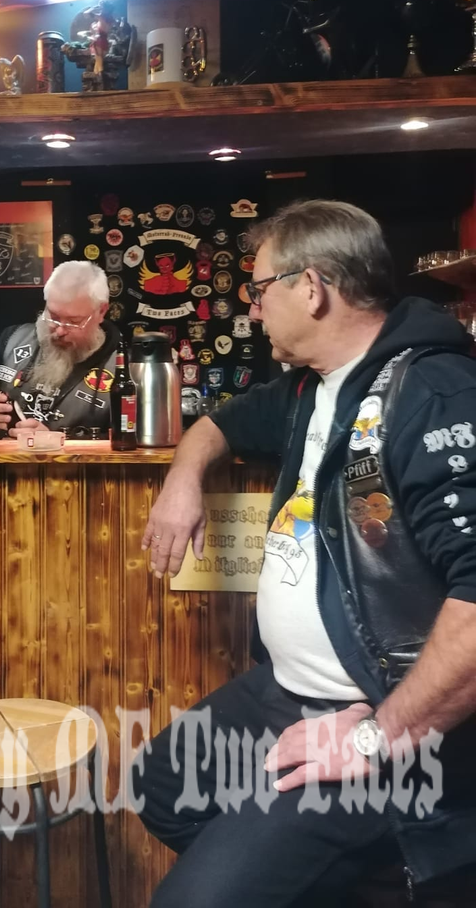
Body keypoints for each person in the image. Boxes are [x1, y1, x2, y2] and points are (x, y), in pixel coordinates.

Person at [133, 200, 476, 905]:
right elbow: (215, 424)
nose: (253, 309)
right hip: (289, 691)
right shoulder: (310, 387)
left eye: (260, 289)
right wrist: (181, 481)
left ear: (312, 288)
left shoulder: (433, 394)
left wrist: (374, 735)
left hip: (379, 715)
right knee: (162, 785)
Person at [0, 260, 120, 435]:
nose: (59, 330)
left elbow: (129, 438)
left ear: (101, 311)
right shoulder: (13, 339)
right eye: (53, 316)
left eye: (73, 321)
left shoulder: (121, 367)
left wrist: (59, 441)